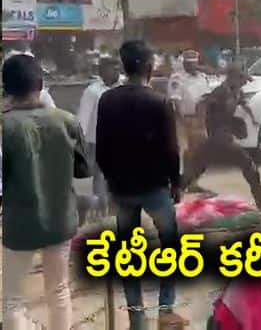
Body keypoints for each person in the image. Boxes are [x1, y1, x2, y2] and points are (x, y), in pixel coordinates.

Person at [95, 41, 185, 330]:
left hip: (122, 189)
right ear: (148, 67)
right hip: (155, 187)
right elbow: (171, 150)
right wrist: (176, 183)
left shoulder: (107, 100)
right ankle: (166, 310)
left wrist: (112, 179)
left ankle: (137, 319)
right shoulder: (159, 102)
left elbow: (101, 149)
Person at [2, 54, 90, 330]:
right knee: (59, 290)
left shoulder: (5, 127)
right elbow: (82, 171)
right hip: (60, 221)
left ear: (6, 89)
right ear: (40, 84)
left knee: (12, 300)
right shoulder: (67, 120)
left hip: (20, 226)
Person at [184, 66, 261, 210]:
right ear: (232, 78)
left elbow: (244, 104)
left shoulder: (237, 91)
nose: (244, 84)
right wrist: (200, 126)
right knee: (245, 161)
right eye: (241, 80)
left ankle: (173, 193)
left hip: (223, 132)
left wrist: (252, 119)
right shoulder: (220, 92)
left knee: (198, 166)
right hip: (217, 134)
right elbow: (202, 104)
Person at [76, 57, 121, 211]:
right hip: (98, 141)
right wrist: (79, 140)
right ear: (101, 71)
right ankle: (101, 209)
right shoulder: (92, 91)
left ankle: (115, 208)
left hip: (120, 139)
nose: (115, 71)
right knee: (101, 176)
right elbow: (84, 116)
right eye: (111, 68)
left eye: (117, 68)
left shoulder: (124, 87)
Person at [169, 50, 212, 165]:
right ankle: (184, 179)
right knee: (185, 151)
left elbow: (206, 98)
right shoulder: (177, 78)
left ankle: (193, 179)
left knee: (200, 151)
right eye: (188, 64)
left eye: (194, 64)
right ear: (184, 64)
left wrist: (203, 118)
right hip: (184, 120)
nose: (192, 66)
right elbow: (175, 100)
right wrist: (182, 121)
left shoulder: (202, 77)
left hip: (200, 120)